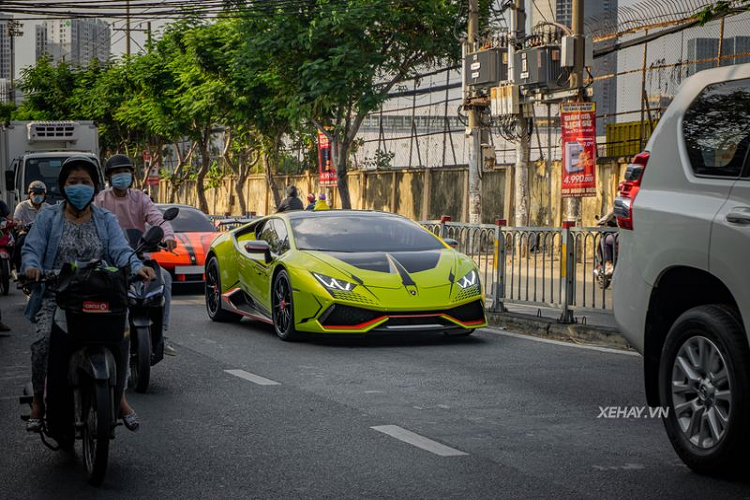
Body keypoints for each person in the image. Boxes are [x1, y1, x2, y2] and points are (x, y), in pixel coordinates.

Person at [22, 156, 156, 432]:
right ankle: (38, 401)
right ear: (63, 186)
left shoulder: (105, 219)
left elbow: (120, 250)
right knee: (42, 342)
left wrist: (136, 266)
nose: (79, 187)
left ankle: (119, 398)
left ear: (95, 187)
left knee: (122, 337)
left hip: (99, 294)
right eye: (73, 182)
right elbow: (31, 249)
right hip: (56, 296)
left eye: (85, 182)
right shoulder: (48, 216)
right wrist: (33, 267)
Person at [94, 154, 178, 356]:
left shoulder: (141, 198)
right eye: (116, 173)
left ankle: (162, 335)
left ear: (132, 174)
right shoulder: (100, 200)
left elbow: (158, 219)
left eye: (125, 172)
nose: (121, 176)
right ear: (109, 177)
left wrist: (168, 236)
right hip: (109, 260)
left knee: (164, 278)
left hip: (138, 256)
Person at [13, 181, 50, 272]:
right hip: (26, 233)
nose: (37, 196)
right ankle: (19, 271)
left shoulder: (48, 207)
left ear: (44, 195)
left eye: (40, 193)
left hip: (43, 234)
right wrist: (19, 224)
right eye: (35, 193)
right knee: (19, 245)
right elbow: (15, 220)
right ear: (30, 194)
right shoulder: (22, 206)